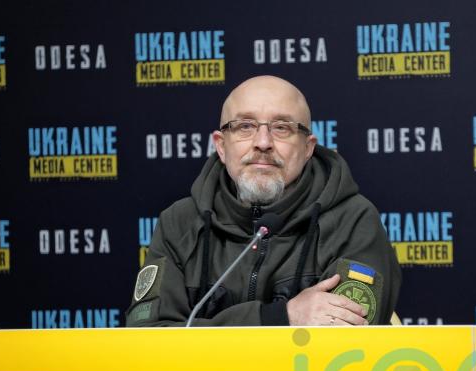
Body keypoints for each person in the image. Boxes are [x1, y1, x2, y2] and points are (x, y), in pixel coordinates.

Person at [126, 75, 401, 327]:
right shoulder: (179, 223)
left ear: (307, 148)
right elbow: (149, 339)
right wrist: (280, 317)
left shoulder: (353, 220)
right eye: (245, 126)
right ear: (221, 145)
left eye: (281, 128)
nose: (263, 142)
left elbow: (346, 337)